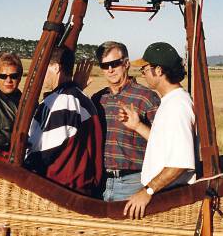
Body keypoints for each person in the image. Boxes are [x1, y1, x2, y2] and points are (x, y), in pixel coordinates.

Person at [121, 42, 196, 220]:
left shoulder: (177, 106)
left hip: (169, 197)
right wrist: (138, 126)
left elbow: (180, 162)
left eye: (145, 69)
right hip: (164, 194)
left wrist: (148, 191)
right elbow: (163, 145)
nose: (143, 73)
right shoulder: (170, 101)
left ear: (159, 71)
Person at [25, 47, 103, 196]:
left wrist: (23, 165)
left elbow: (46, 150)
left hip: (61, 188)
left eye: (44, 67)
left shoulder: (62, 100)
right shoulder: (79, 96)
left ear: (56, 68)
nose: (40, 73)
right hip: (79, 186)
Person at [92, 41, 160, 202]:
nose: (110, 69)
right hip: (100, 181)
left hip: (133, 182)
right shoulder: (97, 99)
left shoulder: (146, 97)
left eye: (115, 63)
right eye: (105, 65)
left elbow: (162, 142)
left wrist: (138, 126)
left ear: (126, 64)